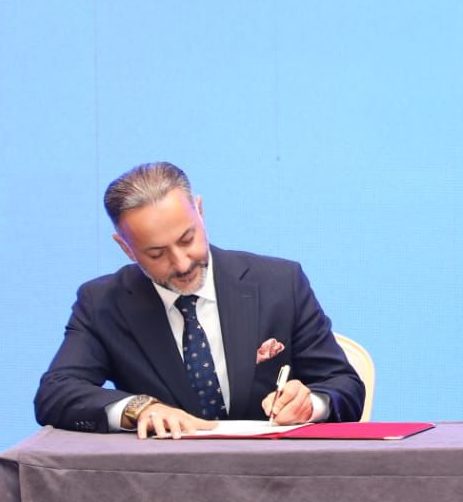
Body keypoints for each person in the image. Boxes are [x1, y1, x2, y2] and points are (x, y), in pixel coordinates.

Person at [35, 162, 365, 438]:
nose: (181, 263)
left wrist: (313, 402)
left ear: (201, 212)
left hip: (273, 481)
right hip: (161, 489)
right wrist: (139, 408)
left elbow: (345, 385)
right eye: (156, 253)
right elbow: (56, 393)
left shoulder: (280, 283)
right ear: (126, 248)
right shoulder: (103, 302)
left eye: (188, 239)